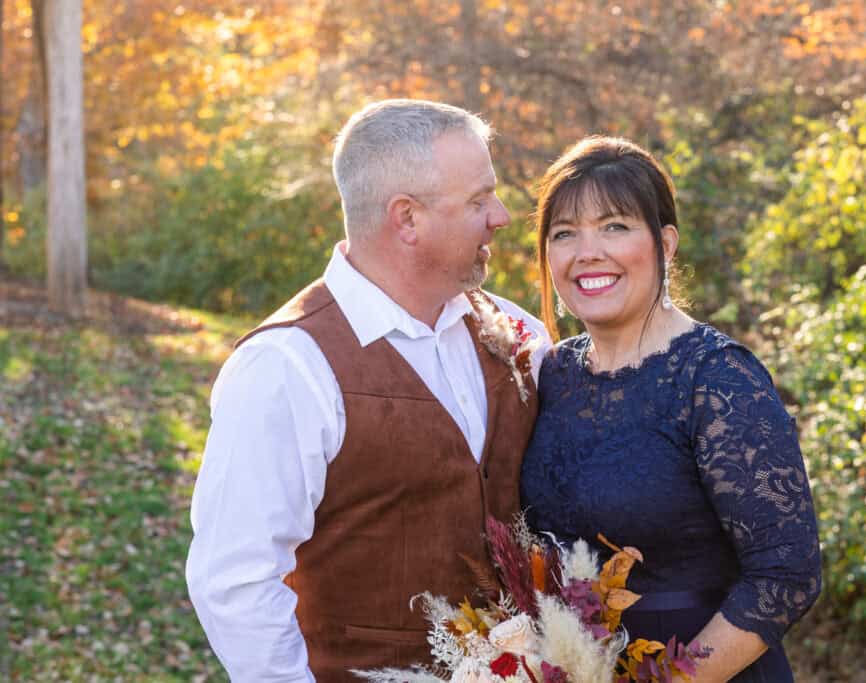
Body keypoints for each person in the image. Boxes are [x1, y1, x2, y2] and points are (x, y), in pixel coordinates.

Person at [186, 99, 550, 682]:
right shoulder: (287, 365)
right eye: (479, 200)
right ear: (406, 218)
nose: (501, 216)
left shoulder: (514, 330)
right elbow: (236, 582)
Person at [519, 137, 821, 682]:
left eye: (614, 226)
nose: (588, 251)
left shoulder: (717, 378)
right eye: (565, 233)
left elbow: (786, 574)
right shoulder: (551, 373)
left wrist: (670, 680)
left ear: (665, 242)